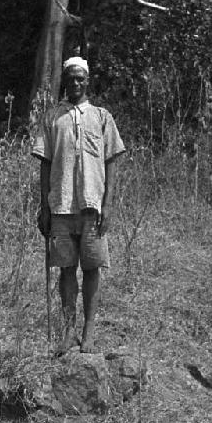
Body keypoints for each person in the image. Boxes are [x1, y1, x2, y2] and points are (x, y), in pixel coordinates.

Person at [32, 56, 125, 355]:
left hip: (92, 207)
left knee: (93, 268)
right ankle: (68, 332)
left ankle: (89, 333)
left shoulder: (102, 117)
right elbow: (44, 164)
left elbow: (111, 162)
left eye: (80, 78)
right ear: (64, 81)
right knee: (66, 269)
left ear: (88, 81)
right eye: (70, 78)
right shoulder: (51, 118)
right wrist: (44, 206)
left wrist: (107, 205)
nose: (75, 83)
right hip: (60, 206)